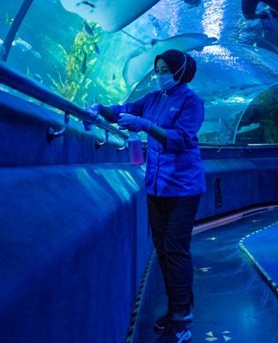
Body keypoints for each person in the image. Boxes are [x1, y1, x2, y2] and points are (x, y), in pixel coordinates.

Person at [87, 49, 205, 343]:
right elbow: (124, 108)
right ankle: (178, 308)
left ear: (180, 71)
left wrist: (147, 126)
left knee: (176, 250)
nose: (160, 74)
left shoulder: (192, 102)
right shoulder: (152, 99)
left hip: (183, 187)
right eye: (158, 69)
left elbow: (182, 140)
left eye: (165, 68)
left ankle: (182, 321)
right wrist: (100, 108)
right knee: (163, 249)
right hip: (155, 185)